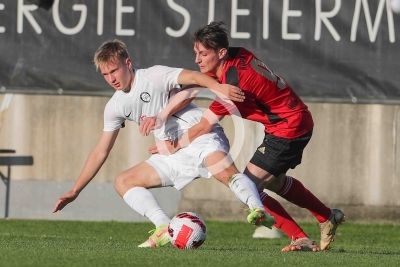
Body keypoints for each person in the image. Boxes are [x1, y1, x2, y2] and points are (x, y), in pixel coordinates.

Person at [52, 39, 275, 248]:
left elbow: (196, 77)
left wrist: (219, 88)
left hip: (198, 134)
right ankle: (163, 227)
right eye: (105, 74)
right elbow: (101, 150)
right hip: (170, 150)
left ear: (127, 63)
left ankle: (256, 209)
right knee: (123, 182)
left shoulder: (154, 75)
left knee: (224, 173)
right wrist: (75, 190)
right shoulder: (115, 106)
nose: (111, 78)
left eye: (114, 70)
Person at [143, 21, 345, 251]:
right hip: (291, 121)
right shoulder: (237, 55)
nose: (197, 59)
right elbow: (195, 89)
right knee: (275, 182)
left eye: (203, 53)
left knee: (248, 187)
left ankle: (299, 237)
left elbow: (202, 126)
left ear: (221, 52)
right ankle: (327, 216)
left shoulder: (235, 84)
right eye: (196, 53)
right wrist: (162, 115)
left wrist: (172, 146)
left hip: (289, 126)